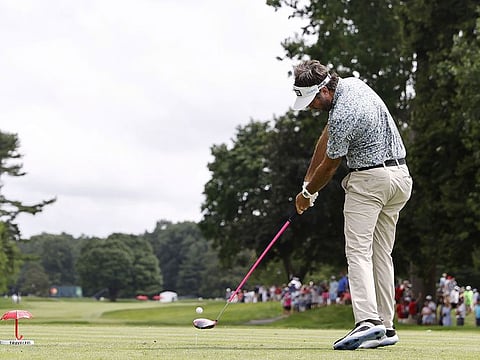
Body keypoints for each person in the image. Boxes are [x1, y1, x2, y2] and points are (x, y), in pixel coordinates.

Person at [292, 60, 413, 350]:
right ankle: (386, 326)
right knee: (381, 254)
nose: (310, 107)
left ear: (324, 91)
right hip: (400, 179)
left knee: (358, 251)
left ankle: (367, 322)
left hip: (370, 181)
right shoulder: (352, 85)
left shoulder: (344, 113)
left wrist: (307, 195)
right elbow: (327, 136)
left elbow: (331, 166)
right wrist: (307, 182)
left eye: (312, 101)